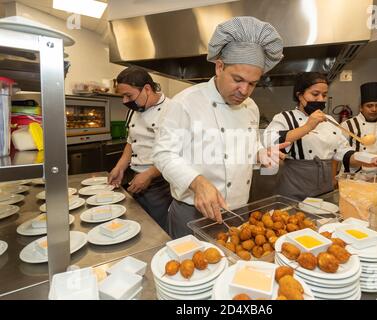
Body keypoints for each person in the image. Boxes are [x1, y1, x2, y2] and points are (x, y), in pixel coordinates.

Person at [153, 16, 287, 238]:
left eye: (252, 83)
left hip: (238, 211)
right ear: (219, 67)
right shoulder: (185, 102)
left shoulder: (251, 107)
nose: (244, 90)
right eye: (238, 79)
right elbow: (163, 153)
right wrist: (196, 182)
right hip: (192, 214)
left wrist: (260, 154)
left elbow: (247, 146)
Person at [263, 72, 377, 200]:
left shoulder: (329, 120)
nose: (321, 100)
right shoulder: (285, 117)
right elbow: (269, 140)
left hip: (324, 186)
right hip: (295, 185)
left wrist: (364, 159)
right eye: (315, 94)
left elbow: (343, 151)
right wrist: (307, 127)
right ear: (300, 95)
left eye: (324, 95)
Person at [108, 66, 173, 233]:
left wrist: (149, 175)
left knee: (158, 231)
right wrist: (120, 166)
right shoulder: (135, 109)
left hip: (160, 183)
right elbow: (131, 141)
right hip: (136, 177)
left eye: (128, 95)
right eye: (122, 96)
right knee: (138, 227)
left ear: (147, 89)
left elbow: (173, 153)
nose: (124, 101)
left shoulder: (171, 110)